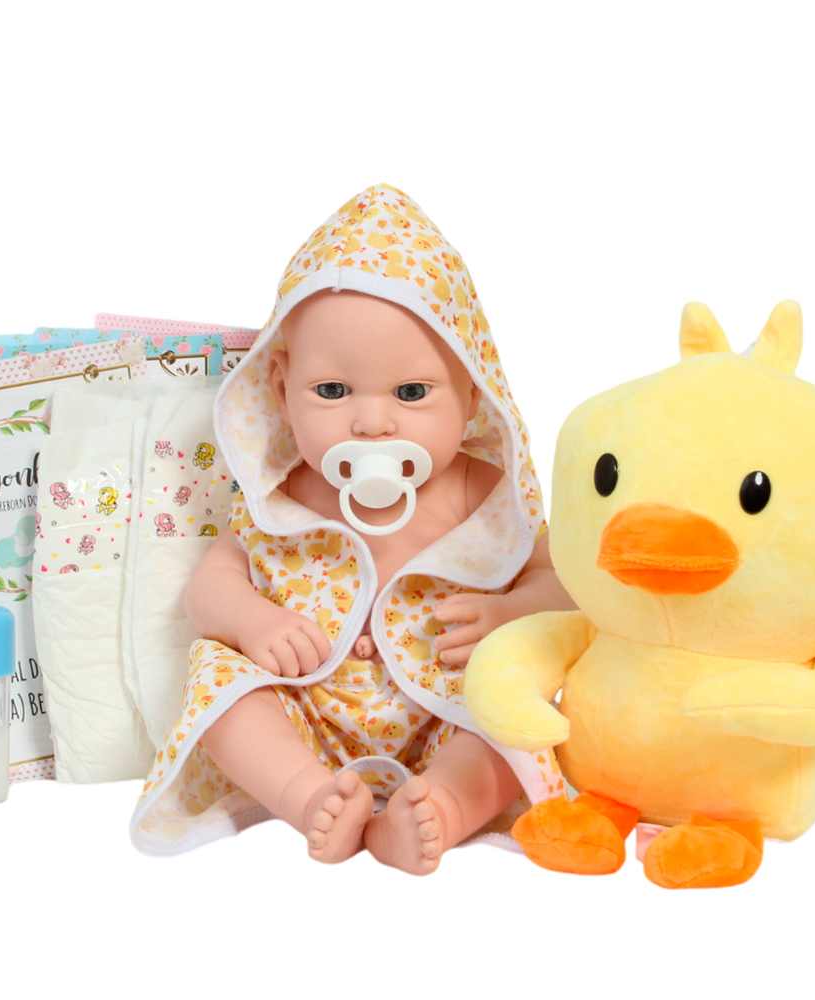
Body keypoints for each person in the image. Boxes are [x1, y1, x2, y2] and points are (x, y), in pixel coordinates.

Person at [129, 184, 575, 873]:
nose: (371, 423)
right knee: (220, 687)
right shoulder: (282, 495)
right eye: (333, 392)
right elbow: (211, 584)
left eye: (412, 392)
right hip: (305, 709)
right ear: (282, 387)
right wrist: (252, 621)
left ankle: (437, 809)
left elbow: (561, 586)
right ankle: (310, 799)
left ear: (470, 389)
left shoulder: (484, 493)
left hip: (446, 709)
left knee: (513, 709)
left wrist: (511, 612)